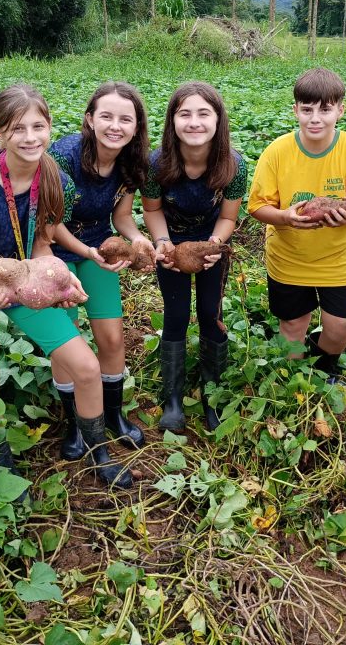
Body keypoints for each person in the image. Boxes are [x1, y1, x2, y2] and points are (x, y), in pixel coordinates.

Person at [0, 84, 133, 489]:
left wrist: (61, 279)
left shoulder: (55, 178)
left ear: (49, 127)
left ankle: (99, 450)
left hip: (24, 280)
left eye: (38, 127)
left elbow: (44, 242)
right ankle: (3, 470)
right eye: (17, 129)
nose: (30, 138)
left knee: (86, 366)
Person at [247, 67, 346, 380]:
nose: (315, 118)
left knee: (339, 327)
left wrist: (343, 216)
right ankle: (296, 377)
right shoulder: (277, 152)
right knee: (293, 325)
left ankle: (323, 368)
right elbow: (256, 206)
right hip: (289, 257)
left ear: (340, 110)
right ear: (295, 111)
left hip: (337, 258)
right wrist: (284, 218)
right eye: (307, 110)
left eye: (325, 109)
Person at [49, 81, 154, 455]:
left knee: (111, 337)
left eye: (126, 119)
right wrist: (86, 252)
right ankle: (74, 424)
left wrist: (138, 238)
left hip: (98, 246)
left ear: (136, 125)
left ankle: (112, 415)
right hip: (54, 250)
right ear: (90, 119)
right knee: (68, 339)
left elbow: (122, 216)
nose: (116, 126)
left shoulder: (132, 163)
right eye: (106, 116)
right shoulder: (62, 156)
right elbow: (50, 222)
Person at [141, 81, 247, 432]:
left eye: (204, 113)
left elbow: (229, 217)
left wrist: (215, 246)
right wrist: (162, 242)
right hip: (170, 242)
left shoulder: (233, 165)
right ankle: (172, 397)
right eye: (184, 114)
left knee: (209, 313)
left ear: (218, 120)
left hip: (212, 242)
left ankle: (211, 394)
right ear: (172, 121)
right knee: (175, 313)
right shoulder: (157, 164)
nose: (194, 122)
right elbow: (152, 210)